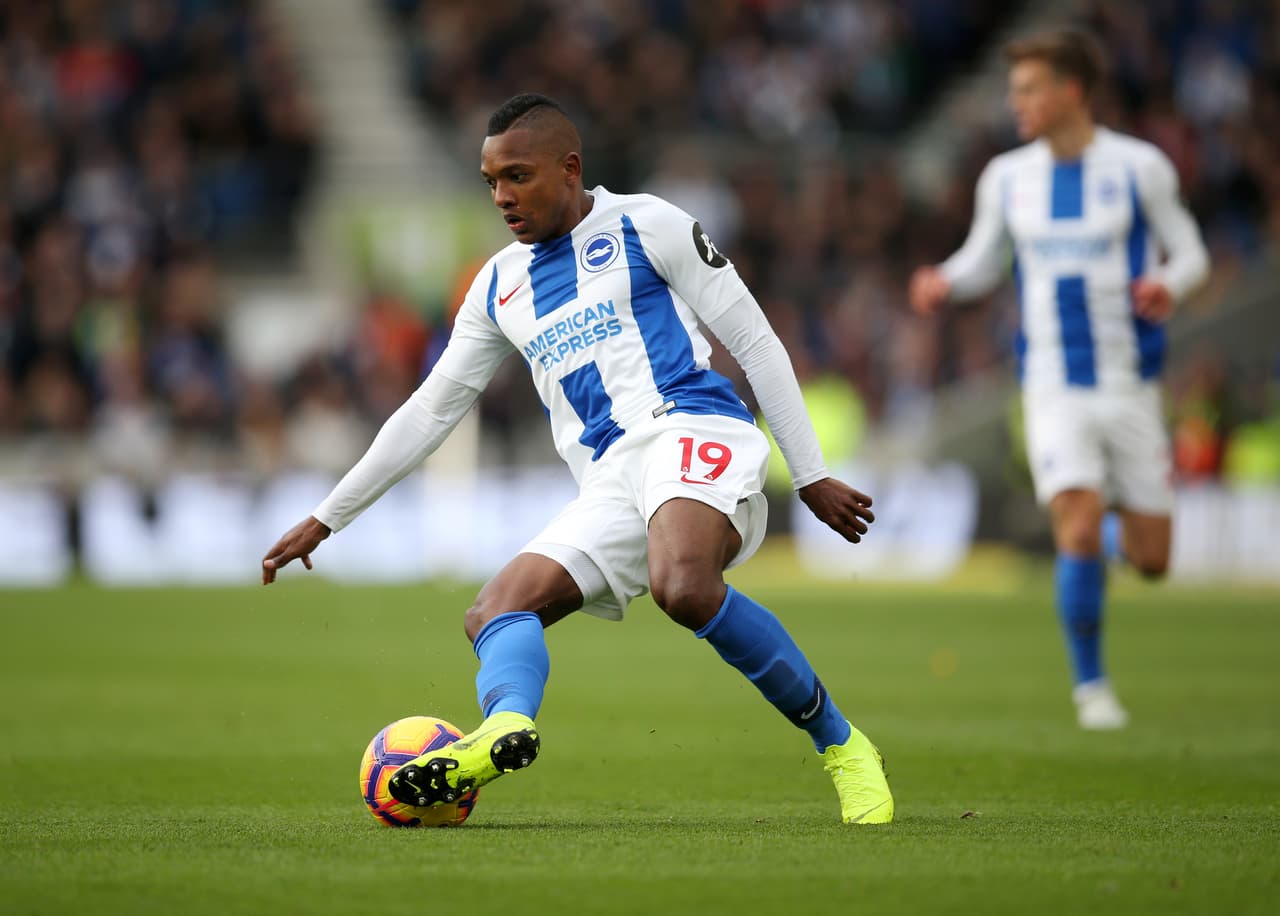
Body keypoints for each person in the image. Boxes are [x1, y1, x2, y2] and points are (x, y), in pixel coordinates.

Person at [262, 93, 893, 824]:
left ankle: (844, 747)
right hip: (610, 477)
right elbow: (432, 409)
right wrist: (327, 517)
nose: (501, 196)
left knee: (683, 585)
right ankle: (503, 727)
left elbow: (754, 342)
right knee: (494, 609)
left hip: (695, 428)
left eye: (518, 177)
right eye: (491, 180)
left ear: (570, 169)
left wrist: (808, 473)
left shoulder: (646, 223)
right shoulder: (498, 284)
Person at [909, 31, 1209, 729]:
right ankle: (1092, 689)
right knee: (1074, 523)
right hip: (1051, 384)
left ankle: (1105, 547)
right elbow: (983, 259)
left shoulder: (1140, 168)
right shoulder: (1007, 176)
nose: (1015, 102)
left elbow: (1191, 252)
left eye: (1029, 88)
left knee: (1153, 559)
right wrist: (943, 281)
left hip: (1130, 383)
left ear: (1071, 91)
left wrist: (1167, 283)